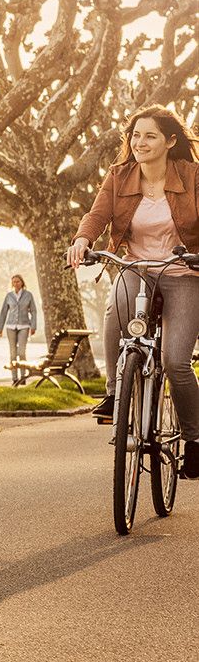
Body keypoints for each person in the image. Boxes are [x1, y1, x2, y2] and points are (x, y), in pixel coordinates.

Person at [65, 105, 199, 477]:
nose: (140, 142)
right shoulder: (119, 175)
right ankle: (114, 394)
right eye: (135, 135)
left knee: (176, 361)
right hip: (136, 268)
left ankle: (195, 439)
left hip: (184, 272)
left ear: (170, 141)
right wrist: (82, 240)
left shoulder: (192, 176)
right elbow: (97, 215)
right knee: (116, 309)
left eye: (150, 135)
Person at [0, 275, 37, 384]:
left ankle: (23, 377)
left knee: (22, 352)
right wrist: (0, 328)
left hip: (24, 326)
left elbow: (33, 311)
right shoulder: (9, 296)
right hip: (10, 327)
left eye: (18, 281)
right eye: (14, 282)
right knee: (13, 354)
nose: (16, 284)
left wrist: (33, 326)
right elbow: (3, 312)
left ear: (22, 282)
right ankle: (14, 379)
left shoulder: (28, 295)